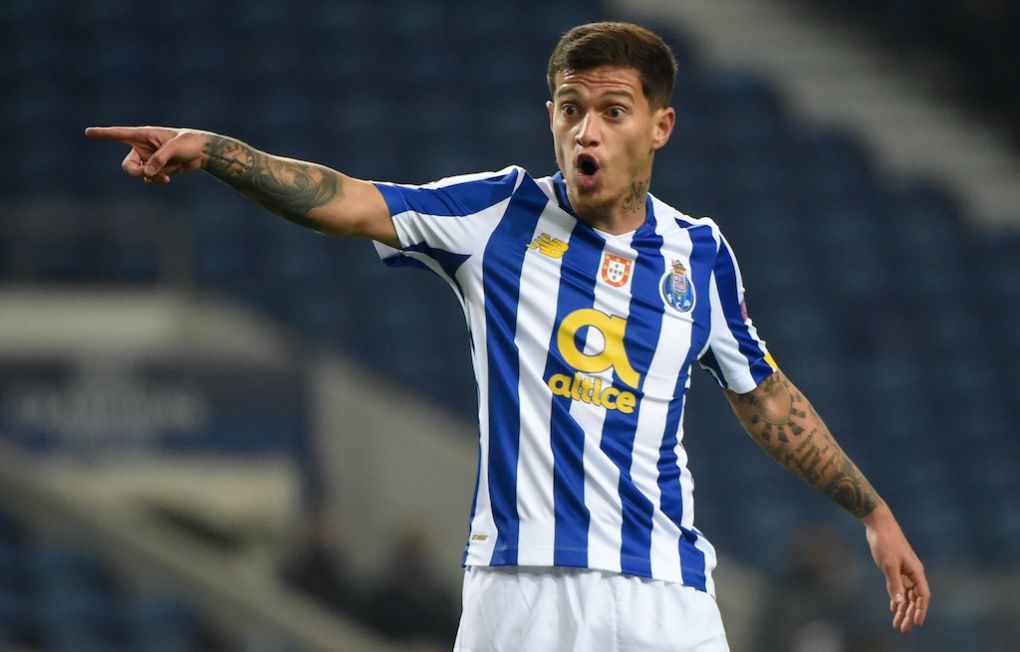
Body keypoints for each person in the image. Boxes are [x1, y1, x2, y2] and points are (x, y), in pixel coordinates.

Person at [86, 21, 930, 652]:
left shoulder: (698, 253)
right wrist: (219, 151)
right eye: (570, 109)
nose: (585, 131)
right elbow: (347, 201)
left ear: (659, 128)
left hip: (663, 593)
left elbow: (766, 398)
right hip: (518, 592)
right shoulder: (496, 214)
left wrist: (872, 510)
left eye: (611, 110)